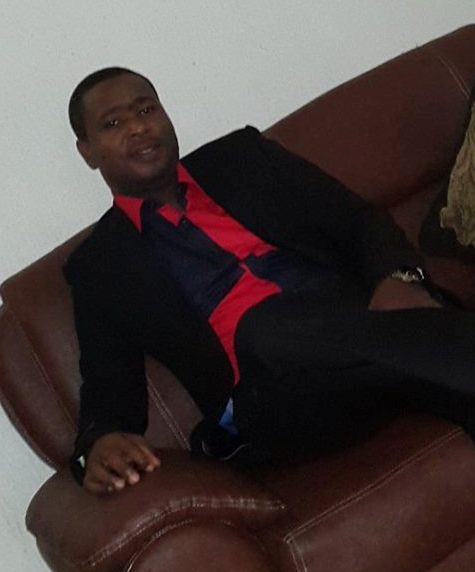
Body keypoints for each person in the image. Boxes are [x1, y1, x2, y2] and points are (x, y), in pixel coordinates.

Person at [65, 66, 474, 495]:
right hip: (277, 400)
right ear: (87, 151)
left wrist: (399, 277)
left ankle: (422, 342)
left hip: (366, 339)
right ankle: (427, 336)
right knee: (266, 327)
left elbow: (356, 221)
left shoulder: (244, 158)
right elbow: (107, 382)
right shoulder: (100, 267)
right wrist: (97, 444)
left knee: (455, 385)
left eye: (146, 109)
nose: (138, 126)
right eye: (113, 123)